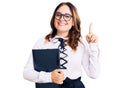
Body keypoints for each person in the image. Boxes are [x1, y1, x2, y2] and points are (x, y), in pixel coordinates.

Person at [23, 2, 100, 88]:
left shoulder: (80, 44)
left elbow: (94, 74)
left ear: (74, 21)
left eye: (67, 16)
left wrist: (93, 46)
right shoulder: (42, 42)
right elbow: (26, 73)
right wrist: (49, 77)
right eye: (58, 15)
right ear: (54, 18)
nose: (61, 19)